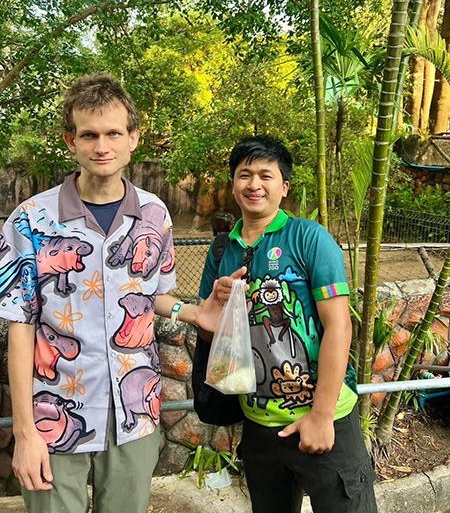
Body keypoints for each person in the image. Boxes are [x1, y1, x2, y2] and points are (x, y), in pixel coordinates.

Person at [0, 73, 221, 513]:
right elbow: (20, 326)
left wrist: (193, 312)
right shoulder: (30, 220)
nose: (102, 146)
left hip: (133, 413)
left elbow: (151, 295)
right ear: (71, 141)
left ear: (133, 138)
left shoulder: (155, 214)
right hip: (54, 415)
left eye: (114, 133)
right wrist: (24, 433)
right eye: (89, 135)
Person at [198, 135, 378, 513]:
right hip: (259, 425)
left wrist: (322, 416)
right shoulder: (221, 250)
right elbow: (207, 331)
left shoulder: (309, 238)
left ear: (284, 187)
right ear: (233, 184)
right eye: (245, 175)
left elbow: (339, 326)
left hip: (325, 419)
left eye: (266, 175)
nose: (254, 184)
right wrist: (217, 305)